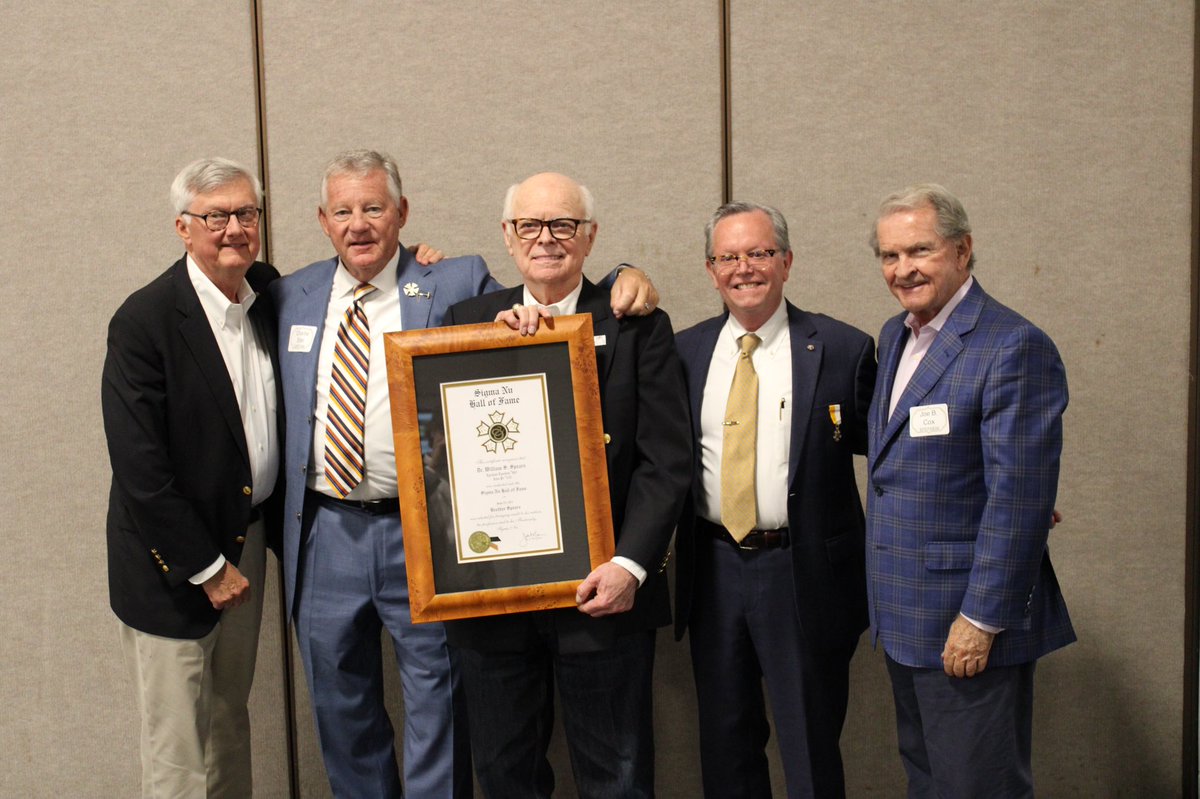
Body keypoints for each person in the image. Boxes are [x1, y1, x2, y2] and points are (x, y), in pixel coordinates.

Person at [270, 151, 659, 798]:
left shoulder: (454, 281)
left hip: (426, 534)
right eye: (343, 210)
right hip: (325, 530)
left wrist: (627, 274)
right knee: (340, 704)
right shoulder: (289, 294)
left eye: (374, 207)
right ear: (322, 219)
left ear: (402, 213)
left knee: (440, 705)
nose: (358, 223)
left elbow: (550, 278)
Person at [441, 172, 692, 798]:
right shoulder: (468, 321)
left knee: (616, 776)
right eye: (530, 224)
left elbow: (666, 461)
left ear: (590, 236)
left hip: (603, 594)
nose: (546, 238)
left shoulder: (638, 323)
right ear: (508, 235)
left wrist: (630, 567)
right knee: (504, 775)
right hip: (494, 596)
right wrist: (496, 351)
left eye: (563, 224)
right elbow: (440, 454)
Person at [865, 184, 1075, 797]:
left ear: (962, 250)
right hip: (904, 614)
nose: (903, 269)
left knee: (978, 786)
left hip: (965, 620)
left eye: (919, 250)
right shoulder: (895, 335)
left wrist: (980, 619)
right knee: (928, 780)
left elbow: (1018, 501)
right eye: (889, 255)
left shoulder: (1012, 345)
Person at [672, 202, 875, 798]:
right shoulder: (682, 352)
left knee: (810, 747)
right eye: (728, 257)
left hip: (802, 573)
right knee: (725, 747)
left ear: (786, 261)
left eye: (759, 253)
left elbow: (897, 454)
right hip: (713, 571)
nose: (744, 268)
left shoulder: (842, 348)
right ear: (710, 269)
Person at [101, 157, 281, 798]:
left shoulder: (266, 293)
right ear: (183, 227)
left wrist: (422, 263)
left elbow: (350, 281)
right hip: (172, 564)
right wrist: (206, 569)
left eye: (246, 213)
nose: (234, 228)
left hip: (247, 542)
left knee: (230, 723)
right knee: (177, 751)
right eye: (216, 216)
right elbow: (140, 469)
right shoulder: (145, 320)